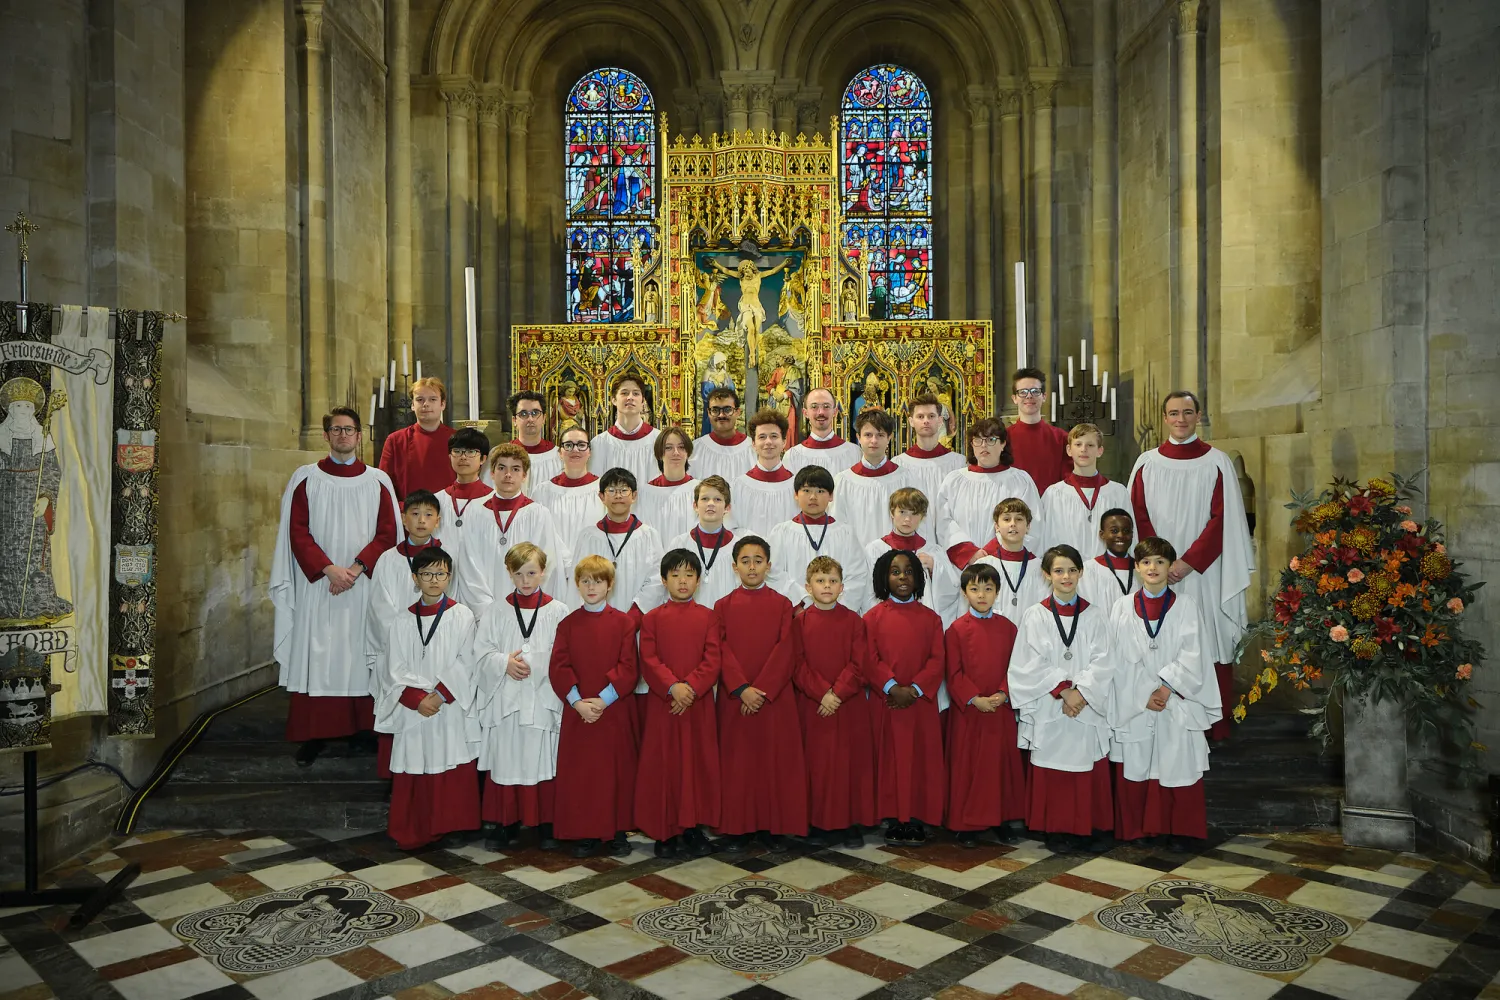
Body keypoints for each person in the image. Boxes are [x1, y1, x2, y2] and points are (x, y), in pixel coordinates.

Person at [271, 407, 399, 767]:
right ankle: (316, 735)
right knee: (320, 653)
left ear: (360, 436)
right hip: (320, 586)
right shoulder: (306, 479)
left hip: (364, 584)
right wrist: (328, 569)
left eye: (349, 430)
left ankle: (366, 730)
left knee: (363, 652)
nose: (343, 435)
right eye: (336, 430)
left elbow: (388, 532)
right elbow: (297, 531)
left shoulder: (378, 481)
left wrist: (355, 569)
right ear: (325, 436)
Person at [1127, 391, 1253, 742]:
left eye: (1187, 412)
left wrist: (1188, 562)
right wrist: (1159, 561)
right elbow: (1138, 514)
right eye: (1173, 413)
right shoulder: (1147, 463)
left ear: (1198, 415)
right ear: (1164, 418)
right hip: (1157, 572)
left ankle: (1215, 723)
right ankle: (1159, 718)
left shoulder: (1216, 462)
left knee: (1210, 638)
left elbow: (1222, 519)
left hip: (1205, 572)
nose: (1180, 419)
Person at [1108, 537, 1216, 850]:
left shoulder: (1185, 606)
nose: (1152, 568)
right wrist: (1144, 691)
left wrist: (1166, 688)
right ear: (1137, 567)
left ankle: (1180, 830)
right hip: (1136, 702)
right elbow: (1114, 657)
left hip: (1176, 700)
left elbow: (1193, 653)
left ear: (1170, 567)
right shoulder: (1121, 607)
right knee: (1138, 761)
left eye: (1159, 562)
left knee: (1177, 760)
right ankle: (1138, 830)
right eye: (1145, 562)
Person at [1009, 544, 1115, 853]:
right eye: (1058, 570)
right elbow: (1027, 662)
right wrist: (1062, 689)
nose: (1065, 576)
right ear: (1046, 575)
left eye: (1071, 570)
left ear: (1081, 572)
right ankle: (1053, 828)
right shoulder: (1035, 615)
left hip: (1084, 704)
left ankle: (1083, 827)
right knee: (1052, 763)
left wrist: (1081, 691)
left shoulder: (1095, 615)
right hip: (1050, 703)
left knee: (1083, 761)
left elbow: (1105, 660)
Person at [374, 547, 480, 851]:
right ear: (415, 578)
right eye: (427, 574)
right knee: (416, 763)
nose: (434, 580)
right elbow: (392, 666)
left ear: (449, 577)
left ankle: (453, 825)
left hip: (447, 705)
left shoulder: (462, 616)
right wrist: (416, 698)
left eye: (440, 573)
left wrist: (442, 694)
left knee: (451, 760)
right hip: (414, 708)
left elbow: (467, 660)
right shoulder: (402, 621)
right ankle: (414, 827)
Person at [713, 536, 808, 852]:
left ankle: (773, 826)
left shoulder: (783, 605)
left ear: (769, 565)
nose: (751, 566)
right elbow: (719, 650)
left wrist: (761, 690)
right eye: (745, 560)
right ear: (734, 566)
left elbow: (787, 650)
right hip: (735, 699)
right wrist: (741, 688)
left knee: (773, 763)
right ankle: (737, 827)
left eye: (758, 560)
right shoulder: (722, 606)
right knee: (737, 763)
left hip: (773, 699)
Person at [473, 542, 571, 850]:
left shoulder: (558, 610)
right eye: (518, 574)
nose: (525, 580)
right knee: (507, 756)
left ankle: (546, 822)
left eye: (531, 573)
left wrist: (537, 662)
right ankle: (505, 822)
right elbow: (481, 652)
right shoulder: (496, 610)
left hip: (542, 698)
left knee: (543, 757)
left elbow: (564, 655)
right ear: (509, 573)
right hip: (507, 699)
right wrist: (504, 663)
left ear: (543, 572)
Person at [549, 555, 640, 858]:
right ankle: (584, 831)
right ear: (577, 584)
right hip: (579, 712)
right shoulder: (568, 624)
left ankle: (615, 830)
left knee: (614, 771)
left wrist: (602, 701)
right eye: (585, 580)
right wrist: (577, 703)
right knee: (583, 774)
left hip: (612, 709)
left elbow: (629, 667)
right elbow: (559, 666)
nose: (591, 586)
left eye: (598, 580)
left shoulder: (624, 623)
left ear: (609, 585)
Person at [636, 549, 722, 858]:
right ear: (664, 580)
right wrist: (673, 687)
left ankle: (693, 828)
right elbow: (648, 659)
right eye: (675, 575)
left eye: (688, 575)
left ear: (698, 581)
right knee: (666, 766)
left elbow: (712, 659)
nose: (682, 581)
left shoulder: (709, 617)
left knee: (697, 765)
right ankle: (665, 831)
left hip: (697, 706)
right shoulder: (652, 619)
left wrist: (691, 689)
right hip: (665, 705)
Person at [791, 556, 875, 849]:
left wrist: (837, 693)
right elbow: (797, 664)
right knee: (816, 764)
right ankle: (816, 822)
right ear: (808, 586)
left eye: (833, 581)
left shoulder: (854, 621)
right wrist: (821, 693)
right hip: (813, 705)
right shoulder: (799, 622)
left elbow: (859, 663)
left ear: (842, 587)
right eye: (820, 581)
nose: (827, 586)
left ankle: (850, 823)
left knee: (848, 764)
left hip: (846, 705)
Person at [864, 549, 946, 846]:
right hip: (887, 702)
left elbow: (937, 659)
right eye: (895, 571)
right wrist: (890, 686)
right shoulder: (872, 618)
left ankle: (916, 818)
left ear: (919, 578)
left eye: (909, 571)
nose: (902, 577)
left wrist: (914, 689)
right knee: (889, 760)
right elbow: (869, 658)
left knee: (920, 760)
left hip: (919, 703)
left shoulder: (931, 618)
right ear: (884, 577)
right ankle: (892, 818)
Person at [945, 563, 1026, 847]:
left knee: (999, 767)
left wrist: (1004, 693)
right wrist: (973, 698)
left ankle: (1002, 819)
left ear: (997, 592)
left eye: (988, 589)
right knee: (969, 766)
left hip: (999, 708)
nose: (982, 595)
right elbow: (953, 672)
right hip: (970, 711)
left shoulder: (1009, 628)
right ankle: (967, 824)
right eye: (975, 589)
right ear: (965, 592)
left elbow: (1017, 667)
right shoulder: (956, 630)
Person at [366, 490, 446, 778]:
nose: (421, 521)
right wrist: (407, 642)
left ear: (437, 520)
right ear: (403, 518)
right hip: (397, 652)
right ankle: (395, 777)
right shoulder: (388, 560)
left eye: (428, 515)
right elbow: (379, 609)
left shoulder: (446, 557)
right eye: (414, 514)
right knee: (400, 706)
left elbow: (455, 604)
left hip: (438, 652)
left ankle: (433, 774)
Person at [458, 444, 571, 615]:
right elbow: (469, 565)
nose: (508, 475)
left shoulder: (538, 514)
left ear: (524, 475)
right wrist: (487, 609)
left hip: (528, 610)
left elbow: (547, 564)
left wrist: (529, 604)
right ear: (492, 473)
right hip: (485, 611)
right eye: (502, 468)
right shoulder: (475, 513)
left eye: (516, 469)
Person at [938, 417, 1042, 572]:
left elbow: (1032, 523)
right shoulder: (955, 481)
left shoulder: (1020, 480)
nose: (984, 445)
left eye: (991, 439)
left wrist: (990, 553)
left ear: (1003, 444)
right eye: (978, 440)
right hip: (964, 567)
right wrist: (970, 553)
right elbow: (944, 523)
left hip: (1006, 566)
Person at [768, 466, 871, 613]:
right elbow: (775, 574)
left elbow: (857, 575)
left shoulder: (845, 533)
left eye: (820, 491)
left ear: (831, 496)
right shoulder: (781, 532)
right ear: (796, 495)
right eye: (807, 490)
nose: (813, 497)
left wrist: (839, 609)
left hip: (838, 615)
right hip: (797, 615)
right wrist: (799, 605)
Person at [638, 475, 740, 611]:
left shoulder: (738, 547)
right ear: (695, 506)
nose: (711, 503)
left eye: (717, 499)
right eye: (704, 499)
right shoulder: (680, 543)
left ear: (727, 508)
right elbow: (667, 586)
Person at [1039, 423, 1131, 560]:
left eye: (1090, 445)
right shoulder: (1054, 494)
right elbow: (1044, 539)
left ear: (1100, 451)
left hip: (1108, 572)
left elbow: (1129, 537)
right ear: (1069, 450)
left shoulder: (1117, 492)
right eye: (1078, 444)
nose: (1084, 449)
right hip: (1067, 573)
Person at [833, 408, 909, 544]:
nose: (874, 441)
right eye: (868, 435)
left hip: (896, 559)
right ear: (858, 438)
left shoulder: (905, 479)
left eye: (880, 435)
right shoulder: (844, 481)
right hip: (856, 559)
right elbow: (837, 527)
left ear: (889, 438)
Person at [973, 499, 1049, 631]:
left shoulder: (1040, 568)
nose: (1013, 524)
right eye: (1007, 519)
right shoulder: (983, 565)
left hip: (1030, 637)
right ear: (996, 526)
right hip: (992, 635)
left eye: (1019, 519)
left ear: (1028, 526)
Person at [533, 425, 605, 558]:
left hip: (594, 568)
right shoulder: (542, 492)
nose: (575, 450)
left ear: (589, 452)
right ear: (560, 453)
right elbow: (539, 533)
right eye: (568, 445)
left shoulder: (602, 489)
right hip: (554, 567)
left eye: (581, 445)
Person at [379, 376, 456, 499]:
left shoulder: (457, 440)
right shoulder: (395, 440)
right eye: (420, 399)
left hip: (450, 512)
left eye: (432, 399)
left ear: (442, 404)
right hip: (409, 513)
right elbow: (384, 484)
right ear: (412, 405)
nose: (426, 404)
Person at [894, 393, 965, 519]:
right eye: (920, 416)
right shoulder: (898, 464)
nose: (926, 421)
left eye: (931, 416)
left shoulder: (958, 463)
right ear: (911, 421)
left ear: (940, 421)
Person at [731, 409, 798, 539]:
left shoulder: (796, 486)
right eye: (762, 437)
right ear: (754, 444)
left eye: (774, 436)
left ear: (784, 442)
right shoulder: (739, 486)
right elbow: (731, 529)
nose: (768, 442)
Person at [436, 427, 493, 575]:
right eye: (457, 451)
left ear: (483, 459)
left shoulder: (493, 501)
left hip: (483, 578)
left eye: (471, 451)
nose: (463, 457)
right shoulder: (437, 500)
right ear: (449, 456)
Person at [1005, 367, 1069, 495]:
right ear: (1014, 398)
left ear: (1044, 396)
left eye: (1035, 391)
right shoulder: (1003, 437)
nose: (1029, 396)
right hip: (1014, 510)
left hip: (1052, 507)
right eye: (1023, 392)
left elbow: (1068, 481)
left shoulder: (1061, 437)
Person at [589, 375, 661, 485]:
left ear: (642, 401)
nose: (630, 397)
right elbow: (594, 487)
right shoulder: (599, 443)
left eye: (636, 393)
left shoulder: (658, 440)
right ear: (613, 400)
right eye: (624, 393)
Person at [639, 426, 697, 543]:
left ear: (688, 453)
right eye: (669, 448)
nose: (676, 453)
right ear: (660, 454)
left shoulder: (699, 490)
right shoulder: (645, 493)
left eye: (681, 447)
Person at [783, 388, 860, 474]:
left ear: (835, 411)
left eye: (826, 406)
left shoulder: (854, 453)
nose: (821, 412)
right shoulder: (792, 456)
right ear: (805, 413)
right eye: (814, 407)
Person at [1078, 509, 1139, 612]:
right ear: (1102, 534)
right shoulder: (1089, 570)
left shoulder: (1142, 570)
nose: (1120, 535)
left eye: (1126, 531)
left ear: (1132, 535)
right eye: (1114, 531)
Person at [693, 387, 755, 482]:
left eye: (727, 410)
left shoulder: (753, 449)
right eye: (715, 410)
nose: (721, 415)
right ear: (708, 413)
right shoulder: (696, 450)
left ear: (738, 412)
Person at [510, 390, 561, 489]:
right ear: (514, 420)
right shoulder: (499, 456)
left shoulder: (559, 457)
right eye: (523, 414)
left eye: (535, 413)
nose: (530, 419)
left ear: (544, 419)